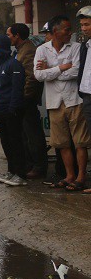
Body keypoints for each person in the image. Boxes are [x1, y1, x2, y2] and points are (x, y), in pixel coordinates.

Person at [35, 15, 88, 191]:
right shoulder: (42, 50)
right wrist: (61, 67)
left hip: (74, 100)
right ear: (55, 31)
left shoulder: (76, 47)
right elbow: (39, 75)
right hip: (54, 102)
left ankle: (81, 177)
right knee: (62, 143)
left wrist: (50, 71)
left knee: (80, 142)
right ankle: (69, 175)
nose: (70, 32)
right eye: (66, 29)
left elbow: (76, 71)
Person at [6, 22, 47, 181]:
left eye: (9, 35)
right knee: (23, 134)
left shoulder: (28, 50)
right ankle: (29, 164)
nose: (8, 37)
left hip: (26, 100)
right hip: (20, 99)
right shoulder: (19, 50)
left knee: (32, 134)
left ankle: (39, 166)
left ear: (17, 36)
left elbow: (31, 77)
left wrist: (24, 97)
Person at [0, 34, 28, 186]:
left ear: (0, 47)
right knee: (6, 142)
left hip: (11, 111)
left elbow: (17, 89)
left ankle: (21, 174)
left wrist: (13, 108)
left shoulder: (14, 65)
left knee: (15, 142)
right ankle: (11, 171)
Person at [76, 6, 91, 193]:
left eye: (87, 24)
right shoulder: (85, 46)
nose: (84, 28)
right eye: (82, 25)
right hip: (87, 96)